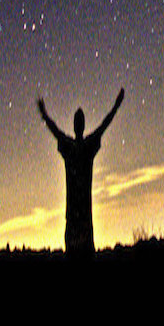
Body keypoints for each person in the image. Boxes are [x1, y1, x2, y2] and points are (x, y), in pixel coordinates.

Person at [37, 87, 125, 256]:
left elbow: (55, 130)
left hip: (76, 220)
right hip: (81, 220)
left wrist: (44, 115)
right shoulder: (86, 147)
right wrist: (116, 106)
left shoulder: (72, 148)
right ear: (82, 125)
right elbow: (103, 125)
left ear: (77, 125)